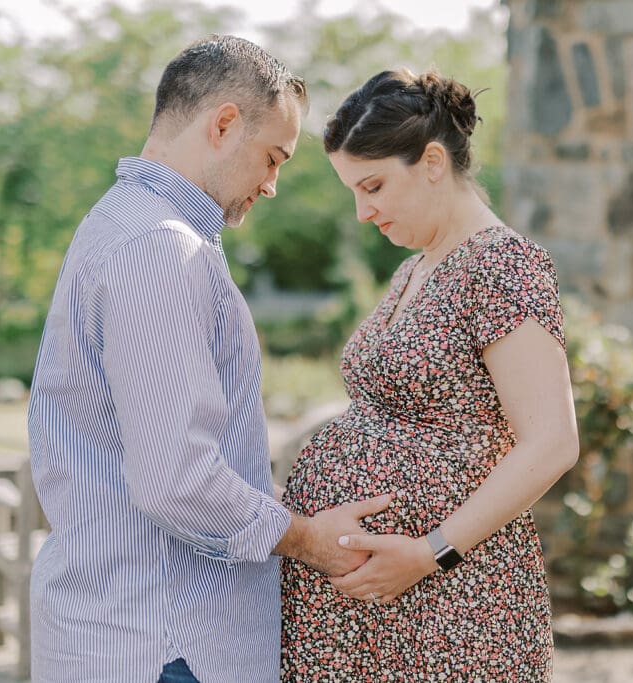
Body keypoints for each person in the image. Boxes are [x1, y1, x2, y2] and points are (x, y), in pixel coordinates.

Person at [26, 35, 391, 683]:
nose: (273, 185)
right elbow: (178, 478)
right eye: (273, 157)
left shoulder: (128, 226)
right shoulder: (158, 247)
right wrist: (309, 539)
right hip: (163, 646)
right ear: (224, 123)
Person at [279, 68, 580, 681]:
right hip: (371, 613)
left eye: (374, 186)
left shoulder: (501, 263)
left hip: (449, 601)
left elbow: (552, 442)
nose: (364, 212)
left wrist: (428, 552)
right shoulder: (414, 269)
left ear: (433, 162)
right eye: (353, 193)